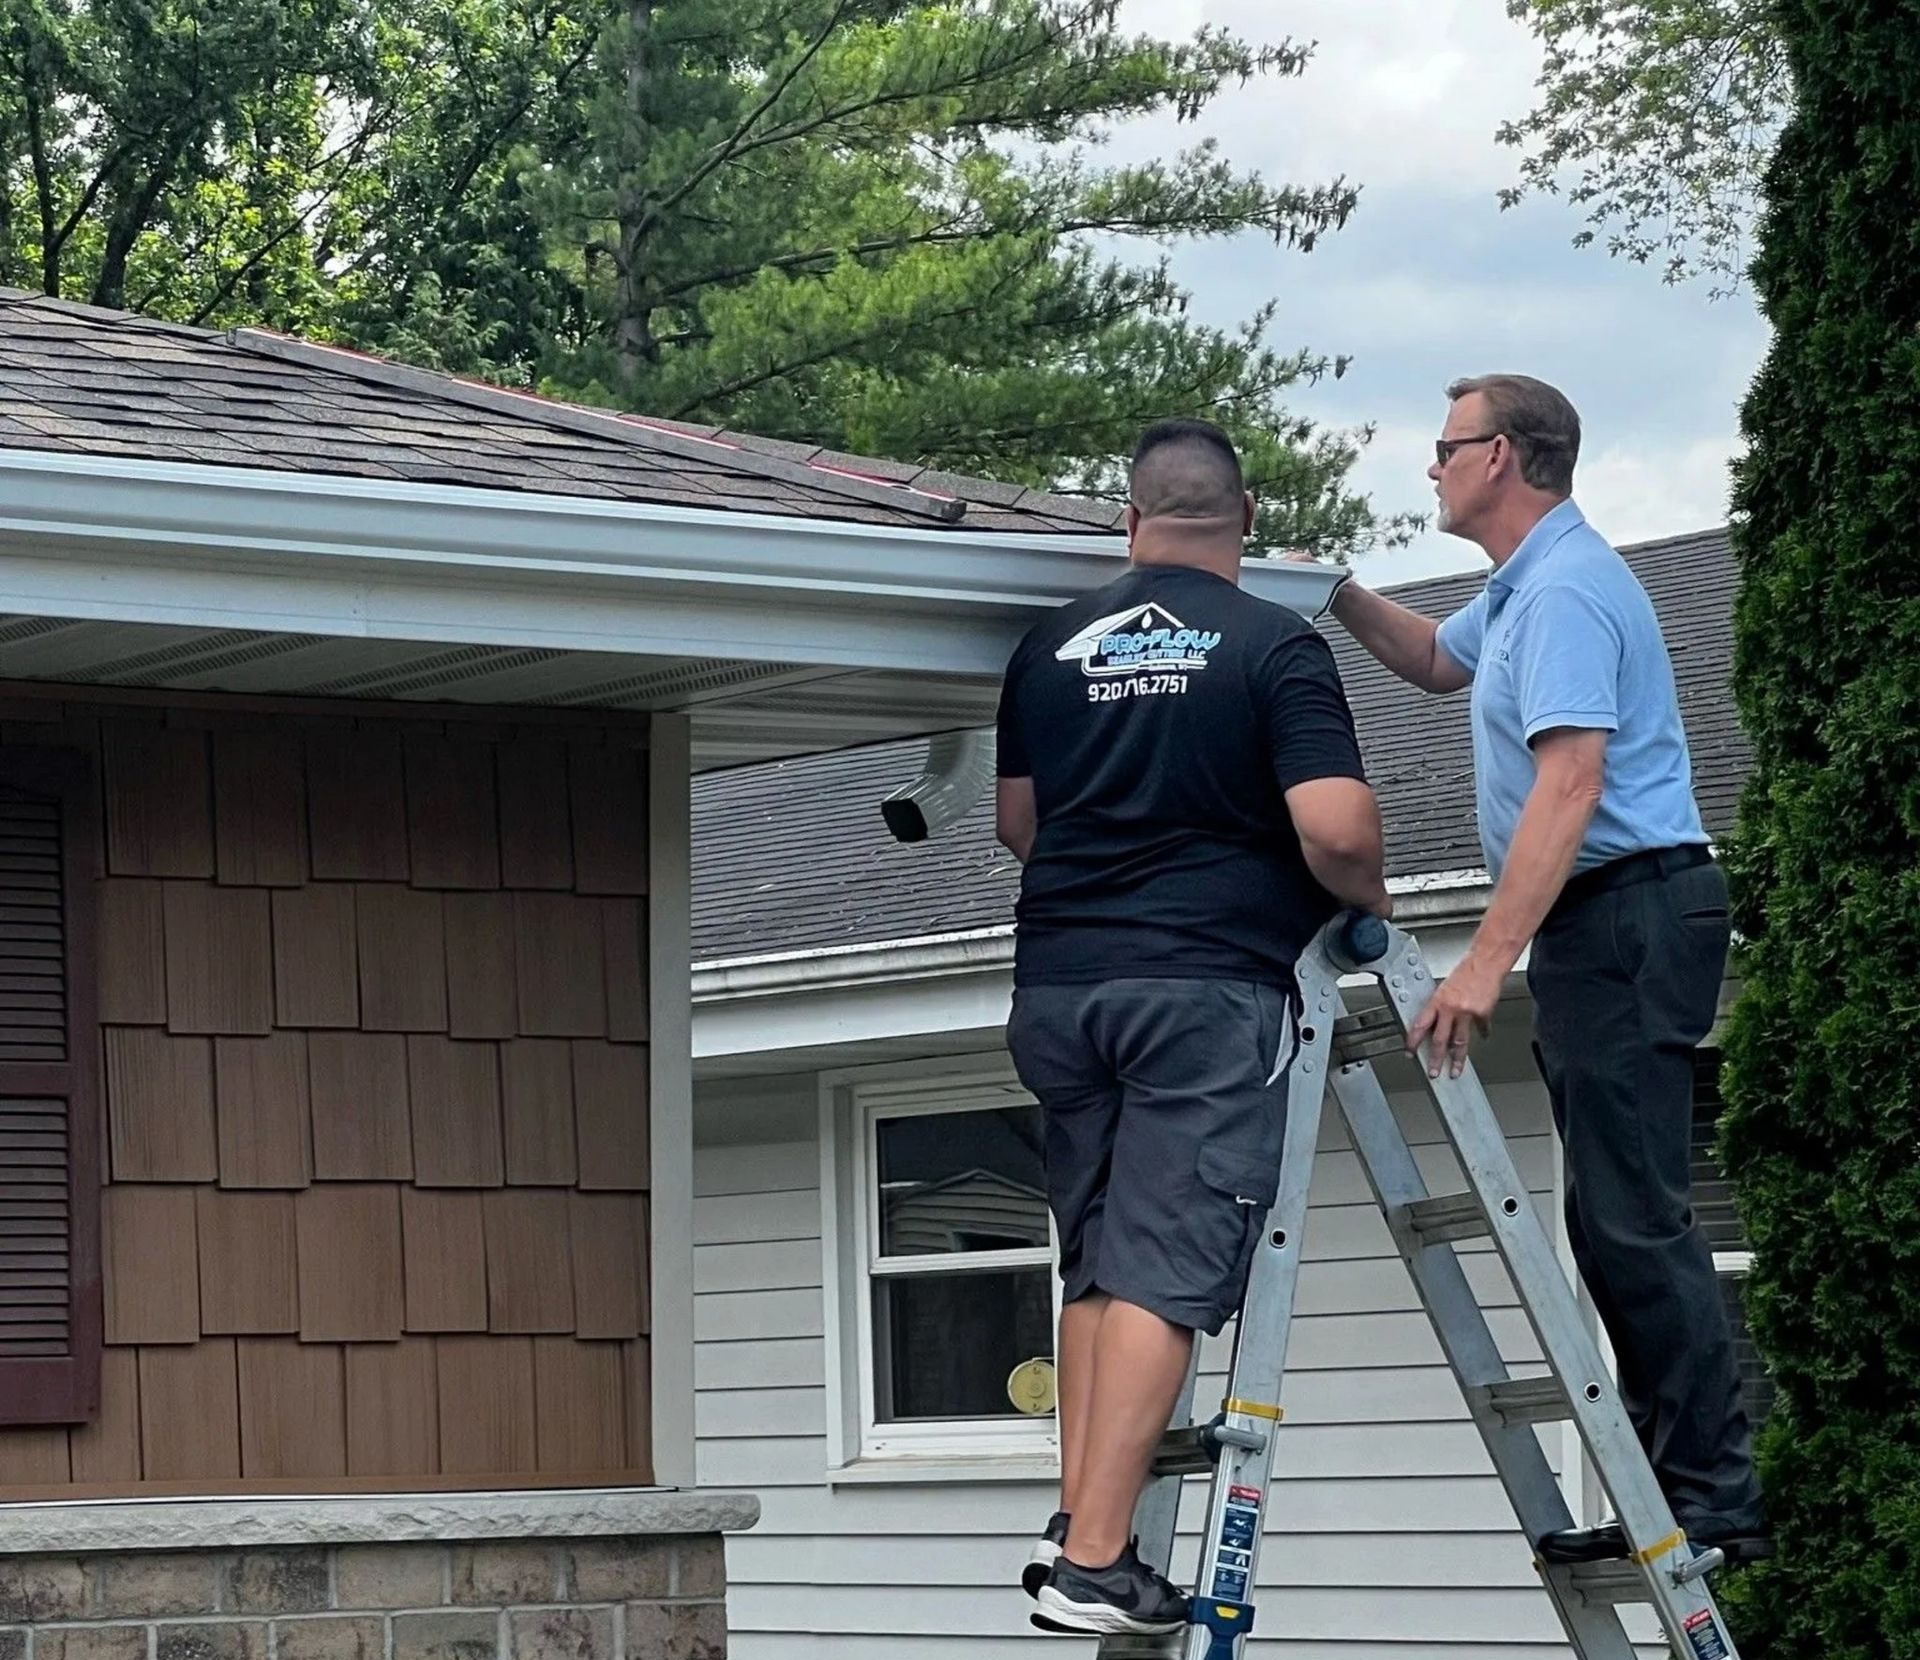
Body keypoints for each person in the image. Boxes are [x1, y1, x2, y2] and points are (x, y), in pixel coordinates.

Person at [1313, 374, 1768, 1563]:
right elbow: (1429, 661)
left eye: (1446, 446)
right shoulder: (1520, 591)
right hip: (1603, 919)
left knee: (1635, 1213)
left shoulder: (1565, 592)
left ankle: (1712, 1505)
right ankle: (1672, 1494)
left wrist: (1481, 963)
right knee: (1607, 1215)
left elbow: (1573, 783)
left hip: (1627, 908)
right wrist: (1333, 590)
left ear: (1503, 456)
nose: (1432, 466)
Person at [994, 418, 1391, 1637]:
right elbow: (1331, 828)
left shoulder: (1051, 647)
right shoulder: (1277, 647)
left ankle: (1076, 1522)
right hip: (1201, 994)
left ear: (1130, 518)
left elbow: (1021, 824)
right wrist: (1367, 896)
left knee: (1100, 1259)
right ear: (1247, 517)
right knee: (1167, 1268)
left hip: (1062, 989)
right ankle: (1100, 1561)